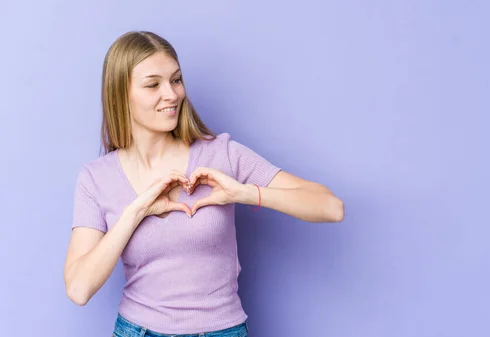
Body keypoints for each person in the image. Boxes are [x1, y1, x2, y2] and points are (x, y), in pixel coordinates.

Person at [63, 31, 344, 337]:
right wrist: (137, 210)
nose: (171, 94)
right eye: (153, 84)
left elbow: (331, 207)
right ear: (120, 93)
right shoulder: (96, 178)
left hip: (222, 330)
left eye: (176, 80)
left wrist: (246, 193)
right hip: (137, 331)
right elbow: (79, 288)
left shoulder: (221, 154)